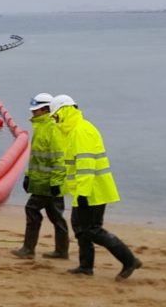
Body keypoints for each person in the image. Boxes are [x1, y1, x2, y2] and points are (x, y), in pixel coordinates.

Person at [50, 94, 142, 280]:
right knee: (80, 227)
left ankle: (129, 260)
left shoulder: (81, 131)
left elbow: (86, 165)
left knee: (93, 229)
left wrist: (83, 194)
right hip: (84, 192)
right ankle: (85, 266)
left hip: (93, 191)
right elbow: (72, 167)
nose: (54, 119)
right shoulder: (72, 130)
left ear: (64, 110)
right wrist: (63, 189)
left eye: (55, 115)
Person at [11, 93, 69, 259]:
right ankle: (61, 251)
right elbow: (35, 157)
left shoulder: (52, 129)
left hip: (48, 183)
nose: (33, 113)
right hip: (42, 182)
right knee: (56, 216)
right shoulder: (41, 128)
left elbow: (59, 158)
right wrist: (28, 176)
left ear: (45, 110)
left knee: (32, 210)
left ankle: (29, 249)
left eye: (36, 110)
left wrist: (56, 182)